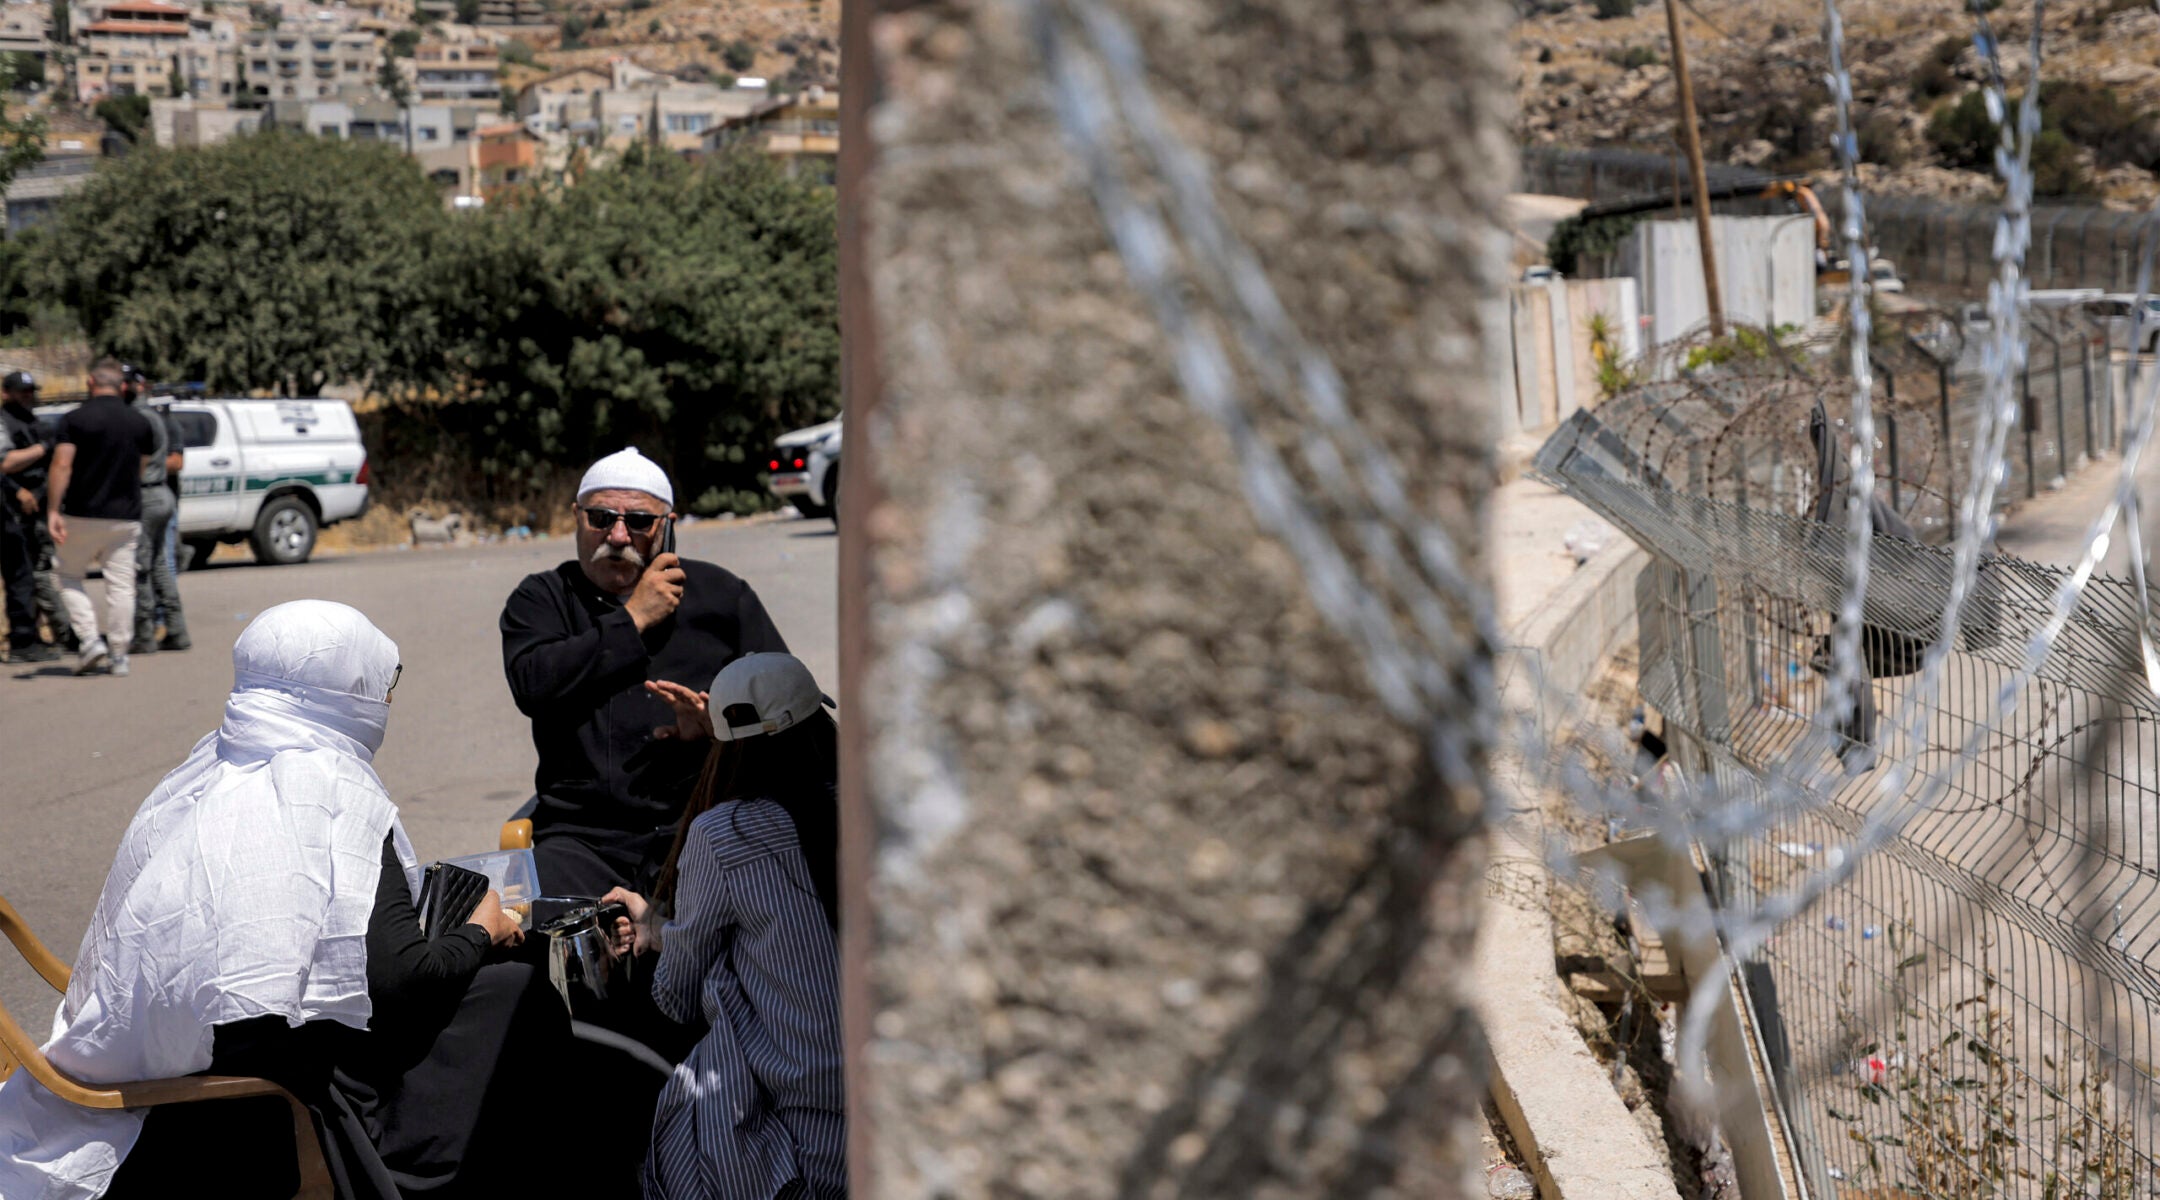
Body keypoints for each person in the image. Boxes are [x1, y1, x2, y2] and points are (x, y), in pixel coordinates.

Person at [0, 600, 582, 1200]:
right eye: (381, 685)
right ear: (344, 691)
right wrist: (484, 929)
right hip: (277, 1086)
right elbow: (403, 983)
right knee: (513, 992)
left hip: (184, 1044)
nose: (385, 701)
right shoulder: (333, 790)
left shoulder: (205, 767)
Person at [603, 652, 845, 1200]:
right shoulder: (873, 804)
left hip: (802, 1135)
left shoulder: (723, 833)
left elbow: (676, 998)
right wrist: (666, 927)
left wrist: (660, 934)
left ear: (727, 746)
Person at [500, 446, 791, 901]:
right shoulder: (542, 599)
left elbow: (789, 712)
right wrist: (633, 618)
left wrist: (719, 735)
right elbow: (533, 685)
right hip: (583, 838)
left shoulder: (721, 597)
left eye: (638, 521)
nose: (617, 535)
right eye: (601, 518)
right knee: (524, 954)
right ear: (577, 518)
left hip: (702, 827)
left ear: (668, 527)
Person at [45, 360, 154, 676]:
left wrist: (53, 509)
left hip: (81, 513)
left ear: (91, 383)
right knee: (122, 586)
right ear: (122, 386)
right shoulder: (139, 422)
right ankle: (120, 654)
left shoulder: (74, 419)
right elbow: (141, 469)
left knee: (67, 575)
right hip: (125, 516)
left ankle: (91, 640)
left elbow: (62, 465)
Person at [0, 369, 65, 661]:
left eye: (31, 391)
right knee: (21, 577)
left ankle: (32, 634)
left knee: (31, 574)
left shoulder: (34, 422)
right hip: (12, 507)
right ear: (7, 393)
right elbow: (5, 463)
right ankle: (23, 641)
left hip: (35, 508)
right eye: (22, 391)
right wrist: (18, 491)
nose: (29, 396)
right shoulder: (4, 422)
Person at [125, 368, 189, 654]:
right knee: (160, 563)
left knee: (141, 566)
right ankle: (176, 629)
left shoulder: (136, 418)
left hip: (146, 495)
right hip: (161, 493)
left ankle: (144, 632)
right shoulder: (153, 416)